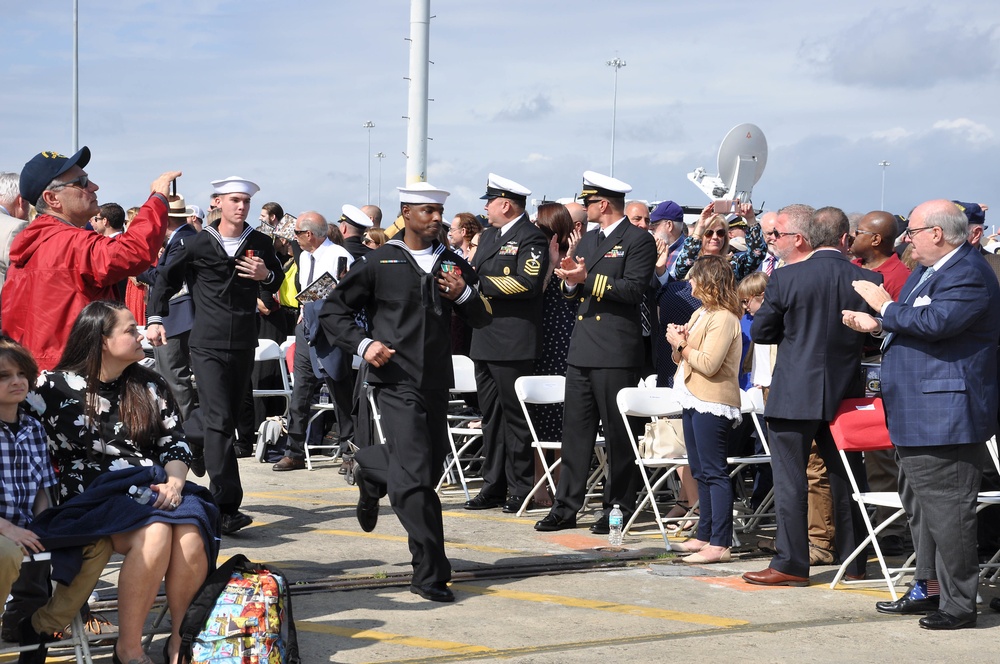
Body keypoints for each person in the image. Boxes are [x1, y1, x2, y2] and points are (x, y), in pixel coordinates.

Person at [319, 181, 490, 602]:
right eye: (427, 211)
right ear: (407, 213)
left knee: (426, 473)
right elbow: (332, 310)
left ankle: (371, 468)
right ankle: (431, 571)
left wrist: (463, 293)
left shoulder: (452, 263)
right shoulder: (382, 260)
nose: (436, 219)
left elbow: (483, 316)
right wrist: (364, 344)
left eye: (440, 212)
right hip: (394, 382)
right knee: (415, 481)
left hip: (436, 383)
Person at [29, 301, 217, 664]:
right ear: (102, 340)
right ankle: (128, 649)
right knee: (158, 530)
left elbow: (175, 443)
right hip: (90, 497)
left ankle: (180, 641)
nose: (140, 333)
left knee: (192, 532)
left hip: (151, 486)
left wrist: (175, 485)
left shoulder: (149, 383)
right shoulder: (50, 388)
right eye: (130, 330)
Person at [843, 199, 1000, 630]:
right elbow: (918, 322)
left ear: (937, 233)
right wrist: (877, 326)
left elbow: (938, 322)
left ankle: (958, 603)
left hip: (943, 414)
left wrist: (884, 307)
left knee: (949, 511)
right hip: (917, 411)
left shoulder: (967, 271)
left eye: (910, 231)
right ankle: (928, 587)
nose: (904, 239)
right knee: (921, 508)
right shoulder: (929, 270)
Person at [742, 205, 878, 587]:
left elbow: (764, 331)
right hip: (845, 390)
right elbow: (871, 337)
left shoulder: (788, 278)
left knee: (791, 480)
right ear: (844, 238)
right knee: (848, 479)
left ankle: (790, 562)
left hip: (794, 391)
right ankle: (856, 562)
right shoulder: (866, 277)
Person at [146, 176, 284, 535]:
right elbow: (164, 279)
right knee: (221, 421)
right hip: (205, 342)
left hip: (243, 342)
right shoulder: (196, 242)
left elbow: (279, 279)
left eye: (246, 201)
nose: (241, 207)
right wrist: (156, 318)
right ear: (217, 203)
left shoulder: (260, 242)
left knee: (219, 415)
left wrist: (266, 274)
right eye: (234, 200)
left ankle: (182, 439)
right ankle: (225, 505)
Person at [534, 171, 656, 534]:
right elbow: (574, 293)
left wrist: (588, 280)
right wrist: (570, 281)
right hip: (583, 348)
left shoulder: (638, 240)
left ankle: (617, 505)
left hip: (616, 350)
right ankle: (565, 505)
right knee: (576, 433)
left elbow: (635, 290)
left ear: (604, 204)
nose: (585, 208)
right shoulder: (586, 240)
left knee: (619, 435)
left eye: (588, 202)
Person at [2, 148, 174, 369]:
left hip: (35, 371)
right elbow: (133, 252)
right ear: (52, 198)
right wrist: (158, 199)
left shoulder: (32, 243)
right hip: (76, 373)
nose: (93, 187)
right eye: (81, 182)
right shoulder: (69, 243)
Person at [0, 337, 113, 664]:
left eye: (21, 374)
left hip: (26, 528)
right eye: (4, 376)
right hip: (4, 533)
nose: (17, 381)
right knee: (6, 552)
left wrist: (48, 525)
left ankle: (41, 626)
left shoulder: (34, 428)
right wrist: (9, 529)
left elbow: (41, 490)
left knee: (97, 544)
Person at [465, 174, 548, 513]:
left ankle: (519, 487)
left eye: (490, 201)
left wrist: (478, 282)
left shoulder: (531, 238)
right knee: (491, 418)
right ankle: (492, 485)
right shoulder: (488, 237)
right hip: (485, 337)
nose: (485, 207)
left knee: (515, 419)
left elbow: (527, 282)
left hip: (513, 340)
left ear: (506, 204)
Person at [666, 255, 743, 563]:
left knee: (714, 472)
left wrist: (682, 346)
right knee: (700, 470)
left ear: (709, 281)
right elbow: (682, 359)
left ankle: (720, 543)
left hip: (713, 399)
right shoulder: (701, 312)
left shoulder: (724, 317)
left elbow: (709, 365)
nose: (690, 282)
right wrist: (679, 343)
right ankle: (704, 535)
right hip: (692, 395)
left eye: (694, 277)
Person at [272, 211, 353, 472]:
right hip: (306, 328)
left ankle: (349, 451)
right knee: (301, 391)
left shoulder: (339, 256)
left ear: (309, 234)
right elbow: (308, 291)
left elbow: (344, 295)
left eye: (296, 234)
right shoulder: (305, 257)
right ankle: (294, 451)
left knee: (339, 391)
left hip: (331, 332)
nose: (293, 239)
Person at [136, 196, 198, 422]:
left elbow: (165, 278)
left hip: (178, 318)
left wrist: (139, 268)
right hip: (178, 317)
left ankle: (187, 437)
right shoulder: (183, 238)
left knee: (174, 380)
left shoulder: (183, 240)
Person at [671, 203, 767, 281]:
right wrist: (700, 226)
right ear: (701, 236)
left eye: (720, 233)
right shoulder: (692, 263)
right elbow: (682, 268)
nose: (715, 237)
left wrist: (750, 219)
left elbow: (757, 254)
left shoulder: (732, 265)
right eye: (709, 233)